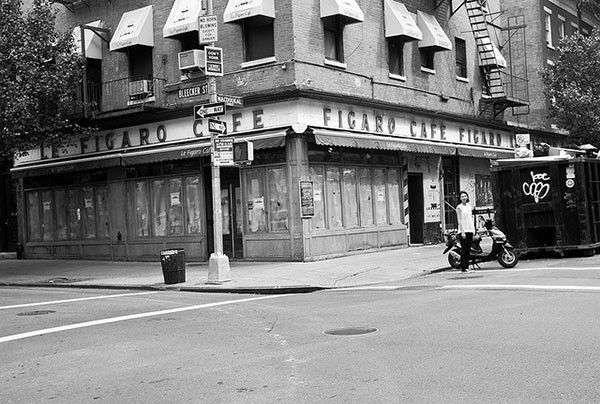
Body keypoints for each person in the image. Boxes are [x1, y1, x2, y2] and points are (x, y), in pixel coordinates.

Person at [456, 191, 475, 272]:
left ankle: (467, 265)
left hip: (470, 229)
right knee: (464, 249)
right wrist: (462, 231)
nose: (464, 198)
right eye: (462, 196)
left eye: (465, 196)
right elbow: (459, 220)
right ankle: (464, 267)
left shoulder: (469, 207)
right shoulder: (459, 207)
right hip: (463, 230)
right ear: (460, 198)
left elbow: (471, 218)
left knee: (468, 249)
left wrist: (473, 229)